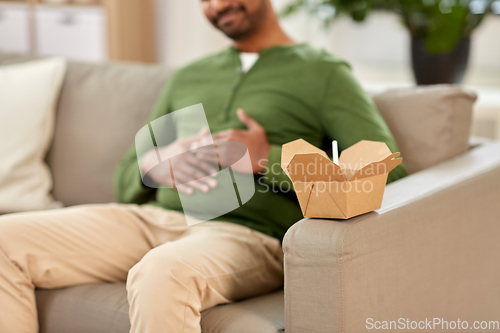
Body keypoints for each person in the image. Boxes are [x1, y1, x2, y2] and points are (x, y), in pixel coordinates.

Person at [0, 0, 407, 332]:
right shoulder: (189, 76)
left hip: (249, 235)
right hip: (153, 219)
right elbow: (125, 180)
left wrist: (268, 158)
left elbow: (386, 169)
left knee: (163, 271)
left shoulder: (322, 71)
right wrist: (157, 166)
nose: (217, 6)